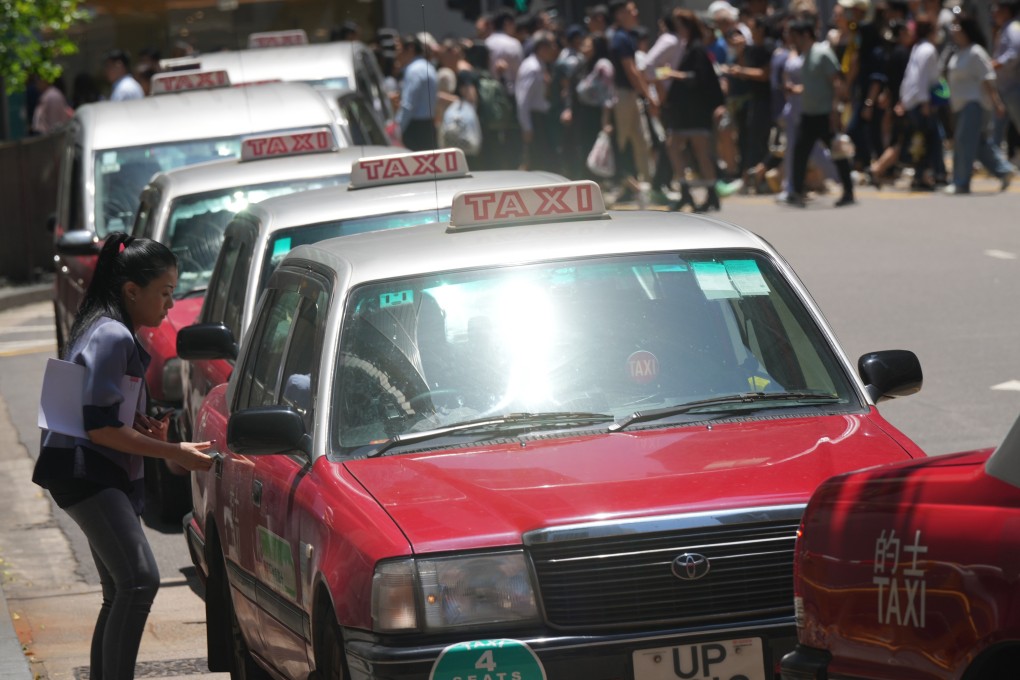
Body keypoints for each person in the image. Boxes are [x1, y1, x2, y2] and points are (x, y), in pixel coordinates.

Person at [32, 233, 214, 680]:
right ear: (131, 291)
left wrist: (142, 430)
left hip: (82, 471)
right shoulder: (112, 333)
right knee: (139, 580)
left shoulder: (105, 326)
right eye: (166, 293)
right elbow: (99, 427)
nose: (170, 304)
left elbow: (103, 417)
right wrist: (174, 451)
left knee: (119, 589)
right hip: (87, 473)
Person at [786, 17, 856, 207]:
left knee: (838, 154)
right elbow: (814, 85)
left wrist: (835, 111)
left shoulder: (822, 53)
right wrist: (797, 90)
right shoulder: (806, 55)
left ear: (806, 34)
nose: (792, 40)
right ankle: (796, 193)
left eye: (795, 36)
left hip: (825, 115)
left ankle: (848, 191)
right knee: (799, 153)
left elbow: (836, 83)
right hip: (809, 114)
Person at [945, 13, 1015, 194]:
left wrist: (997, 103)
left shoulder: (976, 52)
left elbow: (987, 79)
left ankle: (961, 182)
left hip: (973, 104)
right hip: (960, 105)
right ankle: (1004, 171)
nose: (954, 31)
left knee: (963, 143)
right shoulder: (959, 51)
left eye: (957, 27)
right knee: (979, 145)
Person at [664, 10, 725, 212]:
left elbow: (698, 78)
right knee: (674, 147)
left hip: (695, 111)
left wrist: (673, 74)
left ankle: (711, 194)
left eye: (680, 26)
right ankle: (686, 191)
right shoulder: (686, 48)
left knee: (701, 152)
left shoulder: (697, 49)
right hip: (683, 112)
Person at [608, 0, 658, 205]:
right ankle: (618, 183)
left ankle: (647, 186)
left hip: (629, 95)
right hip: (623, 96)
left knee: (641, 140)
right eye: (631, 10)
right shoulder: (620, 38)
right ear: (620, 14)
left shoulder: (625, 36)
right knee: (621, 142)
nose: (636, 12)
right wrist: (648, 95)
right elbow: (631, 71)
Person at [898, 17, 944, 191]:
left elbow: (910, 76)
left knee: (924, 140)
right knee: (929, 140)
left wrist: (903, 98)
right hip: (921, 102)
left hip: (914, 100)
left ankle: (926, 175)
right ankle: (925, 176)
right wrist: (925, 102)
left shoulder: (918, 48)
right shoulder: (928, 49)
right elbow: (922, 77)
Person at [516, 30, 559, 172]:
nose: (555, 49)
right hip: (534, 118)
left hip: (540, 117)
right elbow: (523, 100)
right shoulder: (532, 68)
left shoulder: (540, 65)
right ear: (542, 48)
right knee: (535, 161)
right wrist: (527, 127)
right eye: (551, 46)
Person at [395, 34, 438, 151]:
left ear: (410, 48)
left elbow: (408, 104)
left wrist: (398, 129)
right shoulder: (428, 66)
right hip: (428, 125)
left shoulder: (414, 70)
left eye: (398, 49)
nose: (396, 54)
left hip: (415, 129)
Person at [992, 0, 1020, 161]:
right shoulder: (1006, 28)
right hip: (1005, 88)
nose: (994, 13)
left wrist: (996, 64)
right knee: (996, 127)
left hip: (1013, 87)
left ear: (1007, 10)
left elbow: (1015, 52)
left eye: (998, 9)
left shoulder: (1013, 28)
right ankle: (996, 164)